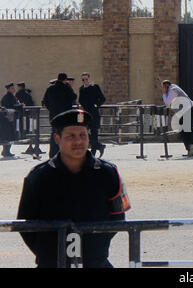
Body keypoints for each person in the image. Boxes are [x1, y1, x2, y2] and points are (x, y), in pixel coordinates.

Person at [17, 109, 131, 268]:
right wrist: (48, 251)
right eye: (71, 136)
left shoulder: (108, 173)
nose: (78, 141)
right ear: (57, 138)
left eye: (82, 135)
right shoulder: (39, 176)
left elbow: (118, 218)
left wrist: (94, 244)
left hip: (95, 261)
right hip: (51, 262)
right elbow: (25, 223)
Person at [42, 73, 78, 158]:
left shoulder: (50, 88)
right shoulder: (66, 87)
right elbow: (74, 97)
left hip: (53, 115)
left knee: (54, 133)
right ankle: (63, 153)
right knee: (64, 133)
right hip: (65, 115)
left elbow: (45, 102)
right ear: (65, 80)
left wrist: (51, 109)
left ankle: (52, 154)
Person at [162, 80, 193, 157]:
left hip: (185, 110)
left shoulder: (172, 90)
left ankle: (190, 147)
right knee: (187, 130)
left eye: (164, 87)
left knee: (185, 131)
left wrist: (164, 94)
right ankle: (192, 150)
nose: (163, 89)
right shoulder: (174, 87)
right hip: (186, 110)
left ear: (166, 86)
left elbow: (167, 103)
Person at [79, 73, 106, 158]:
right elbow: (80, 100)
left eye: (86, 79)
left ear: (89, 79)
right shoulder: (81, 89)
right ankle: (99, 146)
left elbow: (102, 98)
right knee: (84, 132)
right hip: (85, 114)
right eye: (83, 79)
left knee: (94, 132)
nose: (85, 81)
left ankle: (93, 152)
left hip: (94, 114)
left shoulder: (95, 87)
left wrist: (96, 105)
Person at [1, 83, 20, 157]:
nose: (14, 89)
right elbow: (11, 106)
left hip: (9, 117)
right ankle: (6, 151)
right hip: (8, 118)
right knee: (8, 135)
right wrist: (20, 106)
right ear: (8, 89)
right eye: (12, 88)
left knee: (9, 135)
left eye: (13, 88)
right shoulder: (8, 97)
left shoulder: (11, 96)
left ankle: (6, 151)